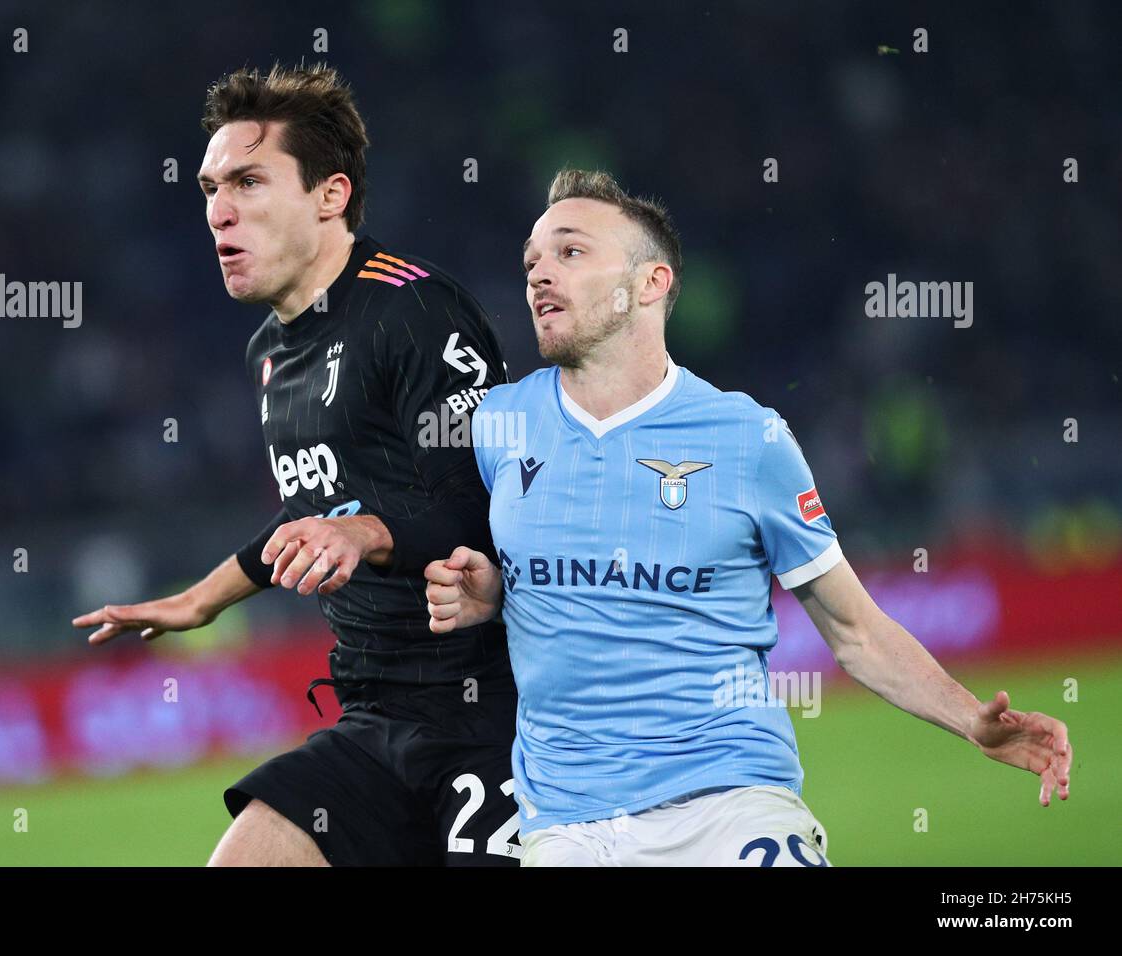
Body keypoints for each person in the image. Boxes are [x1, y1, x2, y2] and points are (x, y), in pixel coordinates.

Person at [423, 168, 1073, 866]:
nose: (539, 275)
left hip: (729, 802)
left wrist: (971, 721)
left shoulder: (746, 439)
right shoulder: (497, 426)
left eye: (571, 252)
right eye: (532, 261)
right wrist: (492, 591)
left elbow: (854, 631)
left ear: (651, 284)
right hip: (570, 825)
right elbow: (495, 569)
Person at [74, 64, 520, 866]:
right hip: (373, 717)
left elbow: (493, 500)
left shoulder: (414, 310)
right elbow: (319, 510)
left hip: (491, 716)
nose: (218, 212)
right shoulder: (269, 355)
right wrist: (200, 600)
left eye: (248, 180)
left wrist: (371, 534)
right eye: (210, 188)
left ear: (331, 195)